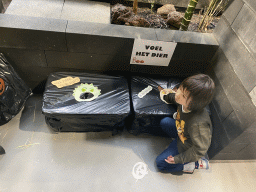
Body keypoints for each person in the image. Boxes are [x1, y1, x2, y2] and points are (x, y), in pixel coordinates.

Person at [156, 74, 215, 173]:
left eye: (184, 96)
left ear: (194, 103)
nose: (178, 94)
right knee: (164, 122)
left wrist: (178, 159)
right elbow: (173, 97)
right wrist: (164, 95)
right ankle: (176, 144)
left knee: (160, 163)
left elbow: (199, 150)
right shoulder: (184, 101)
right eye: (180, 89)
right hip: (182, 132)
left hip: (187, 146)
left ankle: (194, 164)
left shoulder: (198, 125)